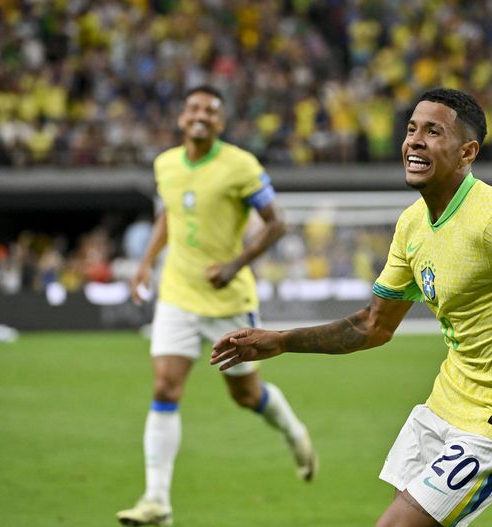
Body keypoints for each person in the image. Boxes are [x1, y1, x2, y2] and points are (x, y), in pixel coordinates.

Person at [210, 88, 492, 527]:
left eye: (433, 132)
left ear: (467, 153)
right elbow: (373, 326)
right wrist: (280, 342)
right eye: (412, 128)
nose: (414, 141)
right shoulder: (412, 224)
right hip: (447, 401)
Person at [116, 85, 317, 527]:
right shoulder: (165, 163)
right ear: (182, 117)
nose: (200, 114)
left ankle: (293, 431)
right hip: (176, 294)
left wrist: (234, 264)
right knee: (166, 387)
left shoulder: (240, 165)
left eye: (210, 110)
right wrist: (144, 265)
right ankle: (156, 501)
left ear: (221, 123)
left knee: (245, 395)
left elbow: (276, 223)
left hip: (228, 300)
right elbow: (169, 213)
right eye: (193, 108)